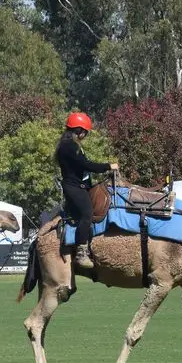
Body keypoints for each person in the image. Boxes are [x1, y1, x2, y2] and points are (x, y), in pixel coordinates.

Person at [55, 111, 118, 271]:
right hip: (74, 188)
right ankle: (81, 254)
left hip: (79, 186)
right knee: (87, 215)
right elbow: (87, 165)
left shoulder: (71, 145)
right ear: (79, 130)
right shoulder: (69, 146)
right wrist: (108, 166)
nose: (85, 135)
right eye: (85, 132)